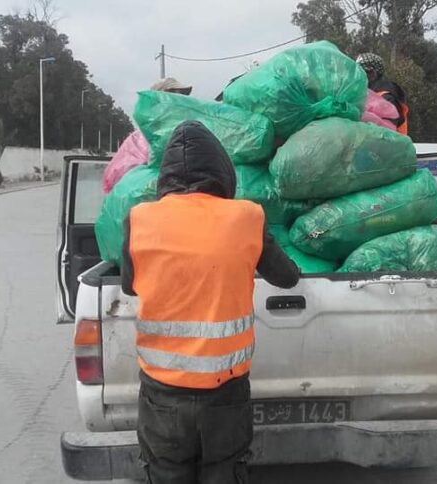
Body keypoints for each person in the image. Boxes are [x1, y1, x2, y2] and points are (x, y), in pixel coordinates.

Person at [121, 121, 301, 483]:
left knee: (167, 472)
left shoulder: (139, 219)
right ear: (223, 171)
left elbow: (129, 286)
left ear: (166, 176)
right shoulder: (247, 217)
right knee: (224, 472)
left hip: (162, 393)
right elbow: (287, 277)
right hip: (225, 394)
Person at [102, 78, 193, 193]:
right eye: (173, 96)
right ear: (157, 102)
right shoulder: (139, 138)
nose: (180, 102)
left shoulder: (190, 133)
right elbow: (115, 176)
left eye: (182, 97)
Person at [356, 53, 410, 135]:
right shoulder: (366, 93)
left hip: (389, 146)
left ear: (373, 74)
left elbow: (387, 130)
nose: (357, 76)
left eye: (361, 72)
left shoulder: (386, 97)